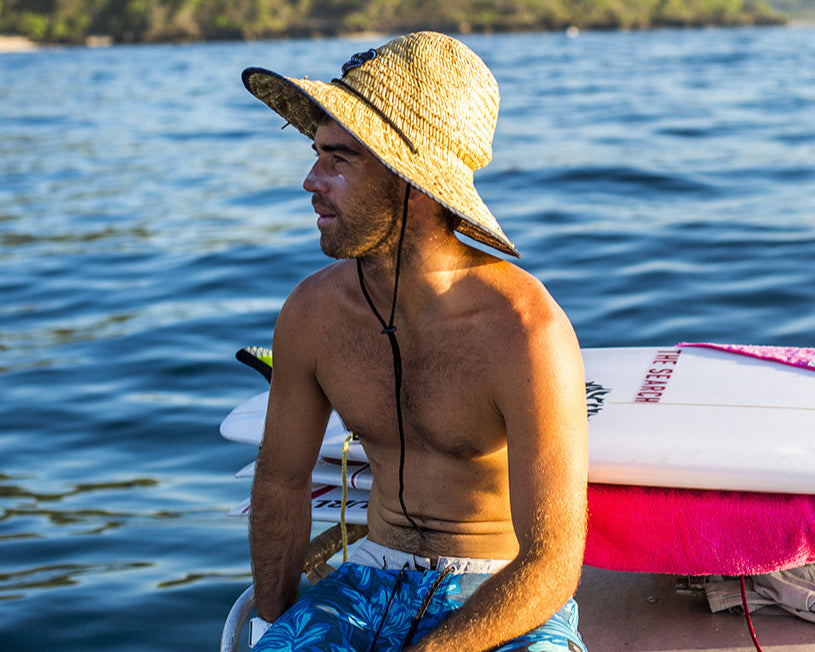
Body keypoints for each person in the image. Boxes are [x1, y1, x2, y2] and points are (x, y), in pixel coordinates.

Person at [241, 31, 589, 652]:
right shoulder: (312, 312)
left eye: (339, 160)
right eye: (317, 154)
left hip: (498, 595)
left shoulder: (524, 330)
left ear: (413, 182)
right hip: (367, 578)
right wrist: (275, 625)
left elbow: (552, 564)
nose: (310, 180)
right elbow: (281, 484)